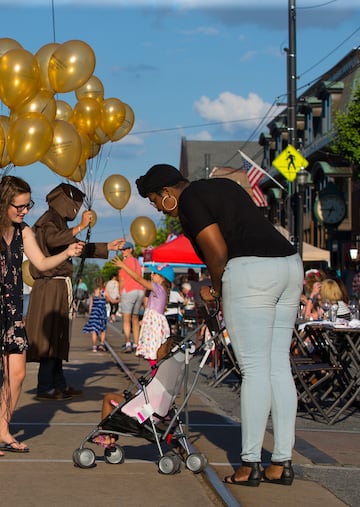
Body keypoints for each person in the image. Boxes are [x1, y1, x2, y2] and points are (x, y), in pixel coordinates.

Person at [136, 163, 302, 487]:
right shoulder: (223, 187)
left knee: (254, 369)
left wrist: (217, 291)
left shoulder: (189, 201)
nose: (157, 207)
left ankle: (249, 463)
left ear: (168, 194)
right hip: (289, 265)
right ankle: (282, 461)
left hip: (251, 272)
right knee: (278, 366)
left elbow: (216, 250)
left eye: (155, 200)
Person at [0, 176, 84, 456]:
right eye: (19, 206)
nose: (24, 211)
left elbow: (42, 262)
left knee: (18, 373)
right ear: (1, 204)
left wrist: (68, 252)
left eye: (27, 205)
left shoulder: (23, 232)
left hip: (10, 310)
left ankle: (2, 429)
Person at [26, 183, 123, 401]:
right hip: (50, 286)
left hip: (58, 286)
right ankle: (45, 387)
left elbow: (75, 246)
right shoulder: (48, 220)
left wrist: (108, 247)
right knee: (49, 335)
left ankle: (58, 383)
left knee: (59, 335)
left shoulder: (57, 221)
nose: (77, 209)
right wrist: (80, 226)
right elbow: (54, 240)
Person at [112, 260, 174, 371]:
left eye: (154, 273)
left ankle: (155, 375)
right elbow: (146, 304)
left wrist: (124, 266)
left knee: (154, 352)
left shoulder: (158, 288)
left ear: (162, 277)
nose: (151, 275)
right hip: (152, 322)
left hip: (154, 325)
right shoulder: (158, 290)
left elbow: (139, 279)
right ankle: (155, 374)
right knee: (153, 352)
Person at [118, 242, 143, 353]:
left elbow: (122, 279)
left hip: (129, 291)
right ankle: (137, 344)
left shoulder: (125, 262)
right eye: (122, 250)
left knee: (126, 319)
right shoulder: (137, 262)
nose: (123, 251)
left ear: (130, 249)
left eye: (125, 249)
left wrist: (119, 293)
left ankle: (128, 343)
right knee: (135, 318)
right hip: (140, 291)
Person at [83, 275, 108, 352]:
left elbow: (91, 305)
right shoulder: (104, 292)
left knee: (94, 330)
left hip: (94, 313)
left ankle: (94, 347)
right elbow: (109, 299)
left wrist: (90, 313)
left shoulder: (93, 293)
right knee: (103, 329)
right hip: (102, 313)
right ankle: (101, 344)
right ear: (103, 283)